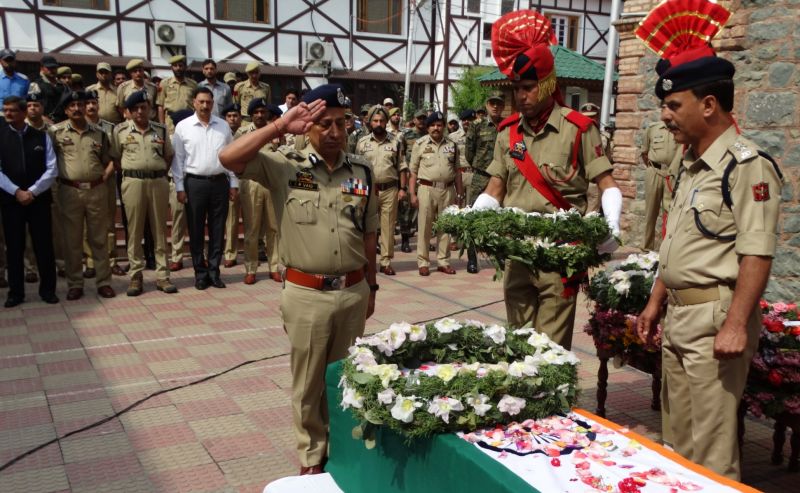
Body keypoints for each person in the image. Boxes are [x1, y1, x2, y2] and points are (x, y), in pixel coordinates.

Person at [635, 0, 782, 480]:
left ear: (709, 104)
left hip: (714, 320)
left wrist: (737, 324)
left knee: (713, 454)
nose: (666, 116)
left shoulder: (746, 166)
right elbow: (676, 241)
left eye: (674, 105)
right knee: (678, 442)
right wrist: (656, 301)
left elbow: (757, 250)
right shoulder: (693, 164)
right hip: (680, 316)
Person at [219, 83, 378, 476]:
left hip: (353, 292)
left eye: (341, 123)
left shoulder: (362, 171)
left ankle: (342, 448)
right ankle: (312, 456)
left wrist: (372, 287)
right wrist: (278, 127)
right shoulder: (284, 166)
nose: (334, 132)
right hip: (307, 295)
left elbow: (370, 233)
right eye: (324, 124)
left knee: (347, 380)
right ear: (307, 126)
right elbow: (228, 157)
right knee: (308, 383)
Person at [475, 10, 621, 349]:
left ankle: (551, 401)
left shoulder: (578, 129)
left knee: (550, 349)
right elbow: (495, 188)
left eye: (528, 88)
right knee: (518, 342)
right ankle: (519, 402)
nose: (521, 96)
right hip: (517, 253)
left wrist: (610, 227)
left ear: (547, 84)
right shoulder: (507, 132)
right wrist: (475, 220)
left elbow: (607, 183)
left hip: (560, 256)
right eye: (516, 88)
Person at [50, 91, 116, 300]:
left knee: (99, 238)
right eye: (73, 105)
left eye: (80, 104)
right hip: (70, 191)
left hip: (97, 191)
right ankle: (75, 283)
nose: (77, 108)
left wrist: (104, 177)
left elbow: (110, 159)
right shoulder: (56, 133)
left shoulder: (99, 133)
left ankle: (104, 282)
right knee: (72, 239)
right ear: (67, 109)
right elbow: (49, 161)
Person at [171, 87, 239, 290]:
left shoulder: (223, 126)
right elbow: (178, 160)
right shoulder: (183, 127)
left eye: (209, 102)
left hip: (220, 182)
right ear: (194, 102)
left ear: (213, 103)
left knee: (218, 229)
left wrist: (234, 183)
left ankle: (214, 272)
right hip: (195, 183)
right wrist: (180, 187)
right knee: (196, 229)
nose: (205, 105)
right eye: (201, 101)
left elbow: (232, 156)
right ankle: (200, 273)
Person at [111, 91, 178, 296]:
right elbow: (115, 158)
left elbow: (169, 156)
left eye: (143, 107)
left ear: (149, 109)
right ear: (129, 112)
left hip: (157, 182)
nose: (140, 111)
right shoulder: (120, 131)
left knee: (159, 230)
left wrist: (157, 172)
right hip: (133, 182)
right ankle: (136, 275)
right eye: (135, 109)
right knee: (135, 230)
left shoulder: (161, 130)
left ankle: (162, 275)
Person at [0, 96, 58, 307]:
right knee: (14, 247)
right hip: (11, 201)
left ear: (24, 113)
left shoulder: (41, 137)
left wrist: (32, 192)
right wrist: (16, 191)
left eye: (12, 110)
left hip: (38, 200)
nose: (7, 114)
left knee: (43, 246)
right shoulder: (1, 135)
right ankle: (16, 293)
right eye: (5, 110)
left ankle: (48, 290)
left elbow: (52, 169)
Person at [409, 111, 463, 276]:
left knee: (446, 227)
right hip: (426, 189)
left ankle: (443, 261)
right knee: (424, 226)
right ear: (428, 127)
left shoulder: (452, 145)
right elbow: (413, 171)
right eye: (433, 125)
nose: (436, 128)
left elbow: (457, 171)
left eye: (439, 125)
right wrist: (412, 193)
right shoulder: (420, 144)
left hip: (448, 189)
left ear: (444, 127)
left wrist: (459, 195)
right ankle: (423, 262)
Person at [355, 105, 408, 275]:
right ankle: (365, 261)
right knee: (367, 227)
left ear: (386, 122)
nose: (378, 123)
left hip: (389, 189)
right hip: (367, 190)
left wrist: (403, 189)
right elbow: (356, 167)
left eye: (382, 120)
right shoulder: (362, 143)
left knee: (388, 227)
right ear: (370, 122)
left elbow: (402, 167)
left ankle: (385, 261)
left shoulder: (395, 142)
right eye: (375, 120)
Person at [234, 99, 282, 283]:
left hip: (270, 182)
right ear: (252, 114)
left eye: (263, 112)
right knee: (252, 229)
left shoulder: (275, 131)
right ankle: (251, 268)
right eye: (257, 112)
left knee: (273, 227)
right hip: (251, 182)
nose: (260, 115)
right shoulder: (243, 132)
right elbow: (235, 154)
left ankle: (274, 266)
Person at [84, 90, 126, 278]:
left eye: (94, 102)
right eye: (88, 103)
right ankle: (91, 262)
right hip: (84, 183)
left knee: (108, 223)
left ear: (98, 105)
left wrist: (104, 176)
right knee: (87, 224)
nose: (91, 106)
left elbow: (115, 156)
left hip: (105, 181)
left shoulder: (109, 128)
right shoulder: (77, 127)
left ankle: (112, 260)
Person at [465, 91, 505, 273]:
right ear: (487, 105)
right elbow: (469, 152)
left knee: (501, 219)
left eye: (499, 103)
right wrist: (479, 166)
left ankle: (500, 256)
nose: (495, 106)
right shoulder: (477, 125)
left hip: (501, 178)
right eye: (492, 103)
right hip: (481, 176)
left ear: (503, 106)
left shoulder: (507, 126)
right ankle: (472, 259)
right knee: (473, 218)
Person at [26, 92, 64, 277]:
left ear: (42, 108)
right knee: (27, 228)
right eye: (30, 105)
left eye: (37, 105)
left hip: (51, 182)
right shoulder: (19, 129)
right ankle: (31, 267)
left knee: (56, 224)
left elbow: (58, 156)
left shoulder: (52, 131)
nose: (33, 108)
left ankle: (60, 263)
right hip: (27, 184)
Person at [640, 119, 680, 251]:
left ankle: (666, 250)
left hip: (672, 174)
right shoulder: (652, 128)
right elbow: (644, 153)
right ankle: (646, 248)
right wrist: (653, 168)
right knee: (650, 212)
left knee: (670, 212)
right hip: (654, 172)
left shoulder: (680, 129)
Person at [167, 108, 194, 272]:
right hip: (176, 183)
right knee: (178, 221)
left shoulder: (195, 137)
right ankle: (176, 256)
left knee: (197, 221)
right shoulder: (170, 140)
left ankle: (199, 255)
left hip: (194, 182)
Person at [398, 109, 427, 252]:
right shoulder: (406, 135)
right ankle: (405, 240)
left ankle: (424, 241)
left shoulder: (429, 135)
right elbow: (401, 156)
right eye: (419, 118)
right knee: (407, 210)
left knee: (424, 211)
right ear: (414, 120)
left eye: (423, 118)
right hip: (410, 177)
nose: (421, 121)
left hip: (425, 178)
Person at [222, 103, 243, 268]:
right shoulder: (221, 133)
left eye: (235, 115)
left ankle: (259, 250)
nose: (232, 119)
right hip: (230, 181)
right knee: (232, 219)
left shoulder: (247, 133)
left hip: (249, 180)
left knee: (255, 220)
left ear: (240, 118)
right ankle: (230, 253)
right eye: (229, 116)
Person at [157, 55, 198, 134]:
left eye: (180, 65)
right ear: (171, 68)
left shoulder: (193, 84)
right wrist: (162, 125)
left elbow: (196, 104)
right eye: (175, 66)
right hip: (170, 123)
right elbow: (160, 105)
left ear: (185, 67)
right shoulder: (165, 83)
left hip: (188, 120)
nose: (178, 68)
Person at [28, 55, 66, 123]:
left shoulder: (63, 86)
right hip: (43, 122)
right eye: (49, 68)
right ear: (42, 68)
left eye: (54, 67)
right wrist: (44, 120)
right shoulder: (35, 85)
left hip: (62, 122)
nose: (52, 70)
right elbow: (32, 107)